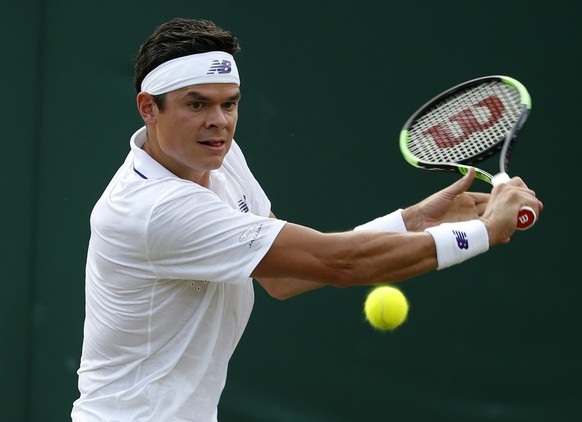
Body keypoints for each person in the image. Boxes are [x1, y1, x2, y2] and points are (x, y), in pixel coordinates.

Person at [71, 17, 542, 422]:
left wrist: (414, 220)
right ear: (148, 108)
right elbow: (340, 264)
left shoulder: (220, 156)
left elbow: (283, 277)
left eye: (229, 103)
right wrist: (484, 231)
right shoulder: (155, 209)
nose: (219, 121)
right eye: (197, 104)